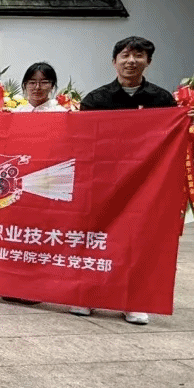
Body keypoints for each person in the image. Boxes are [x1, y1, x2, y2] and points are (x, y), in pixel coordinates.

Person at [72, 36, 178, 325]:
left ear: (148, 61)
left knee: (137, 241)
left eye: (138, 55)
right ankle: (87, 295)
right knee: (96, 239)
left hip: (144, 184)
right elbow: (84, 142)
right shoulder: (96, 100)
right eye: (125, 56)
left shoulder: (162, 100)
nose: (131, 61)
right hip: (103, 182)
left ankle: (133, 301)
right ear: (114, 61)